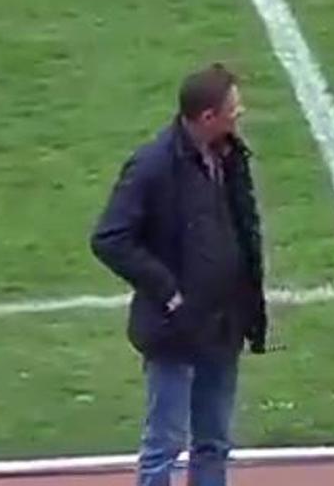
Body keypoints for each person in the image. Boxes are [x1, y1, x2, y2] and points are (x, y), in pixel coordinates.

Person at [90, 62, 267, 486]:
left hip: (223, 324)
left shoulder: (228, 157)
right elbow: (110, 237)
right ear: (208, 117)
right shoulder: (152, 166)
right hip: (176, 328)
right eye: (233, 108)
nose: (240, 114)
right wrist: (168, 291)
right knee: (164, 446)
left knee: (214, 443)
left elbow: (242, 229)